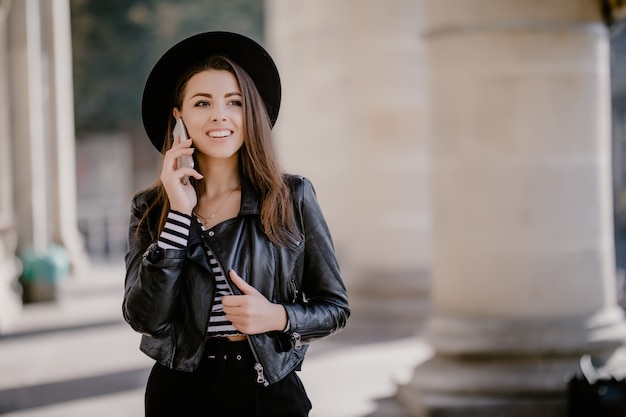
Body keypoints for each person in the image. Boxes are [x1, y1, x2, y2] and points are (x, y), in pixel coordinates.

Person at [122, 31, 350, 417]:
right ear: (179, 116)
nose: (219, 115)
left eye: (234, 102)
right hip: (178, 394)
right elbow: (144, 317)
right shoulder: (150, 207)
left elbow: (335, 307)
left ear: (252, 112)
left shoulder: (291, 197)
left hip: (268, 393)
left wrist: (277, 316)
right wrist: (178, 215)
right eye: (202, 102)